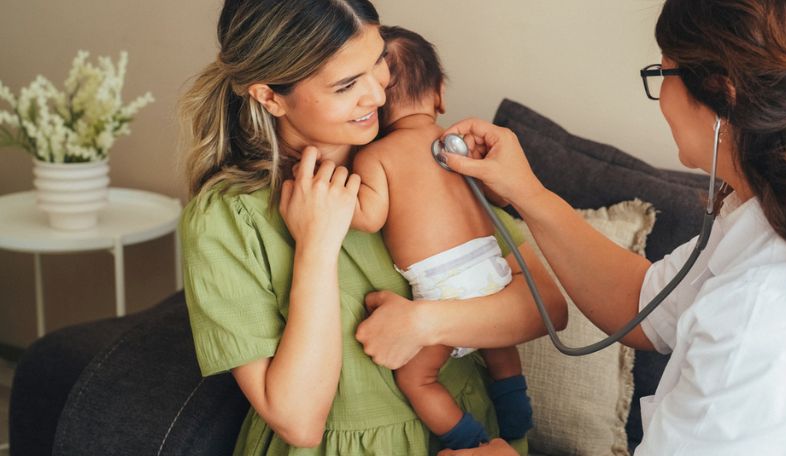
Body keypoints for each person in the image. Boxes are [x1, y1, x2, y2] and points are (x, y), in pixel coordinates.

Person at [358, 0, 786, 454]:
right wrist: (527, 191)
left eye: (662, 74)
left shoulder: (767, 324)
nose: (662, 94)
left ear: (720, 92)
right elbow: (644, 309)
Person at [177, 1, 565, 454]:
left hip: (474, 437)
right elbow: (299, 422)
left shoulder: (423, 153)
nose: (378, 97)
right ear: (269, 96)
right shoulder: (225, 220)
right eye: (346, 85)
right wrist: (316, 247)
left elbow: (546, 307)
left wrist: (422, 325)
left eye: (376, 65)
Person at [349, 25, 533, 450]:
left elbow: (369, 216)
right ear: (440, 93)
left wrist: (340, 196)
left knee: (417, 378)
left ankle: (468, 442)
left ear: (374, 105)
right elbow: (496, 195)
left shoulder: (375, 155)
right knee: (499, 351)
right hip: (491, 272)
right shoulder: (458, 146)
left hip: (443, 288)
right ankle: (516, 411)